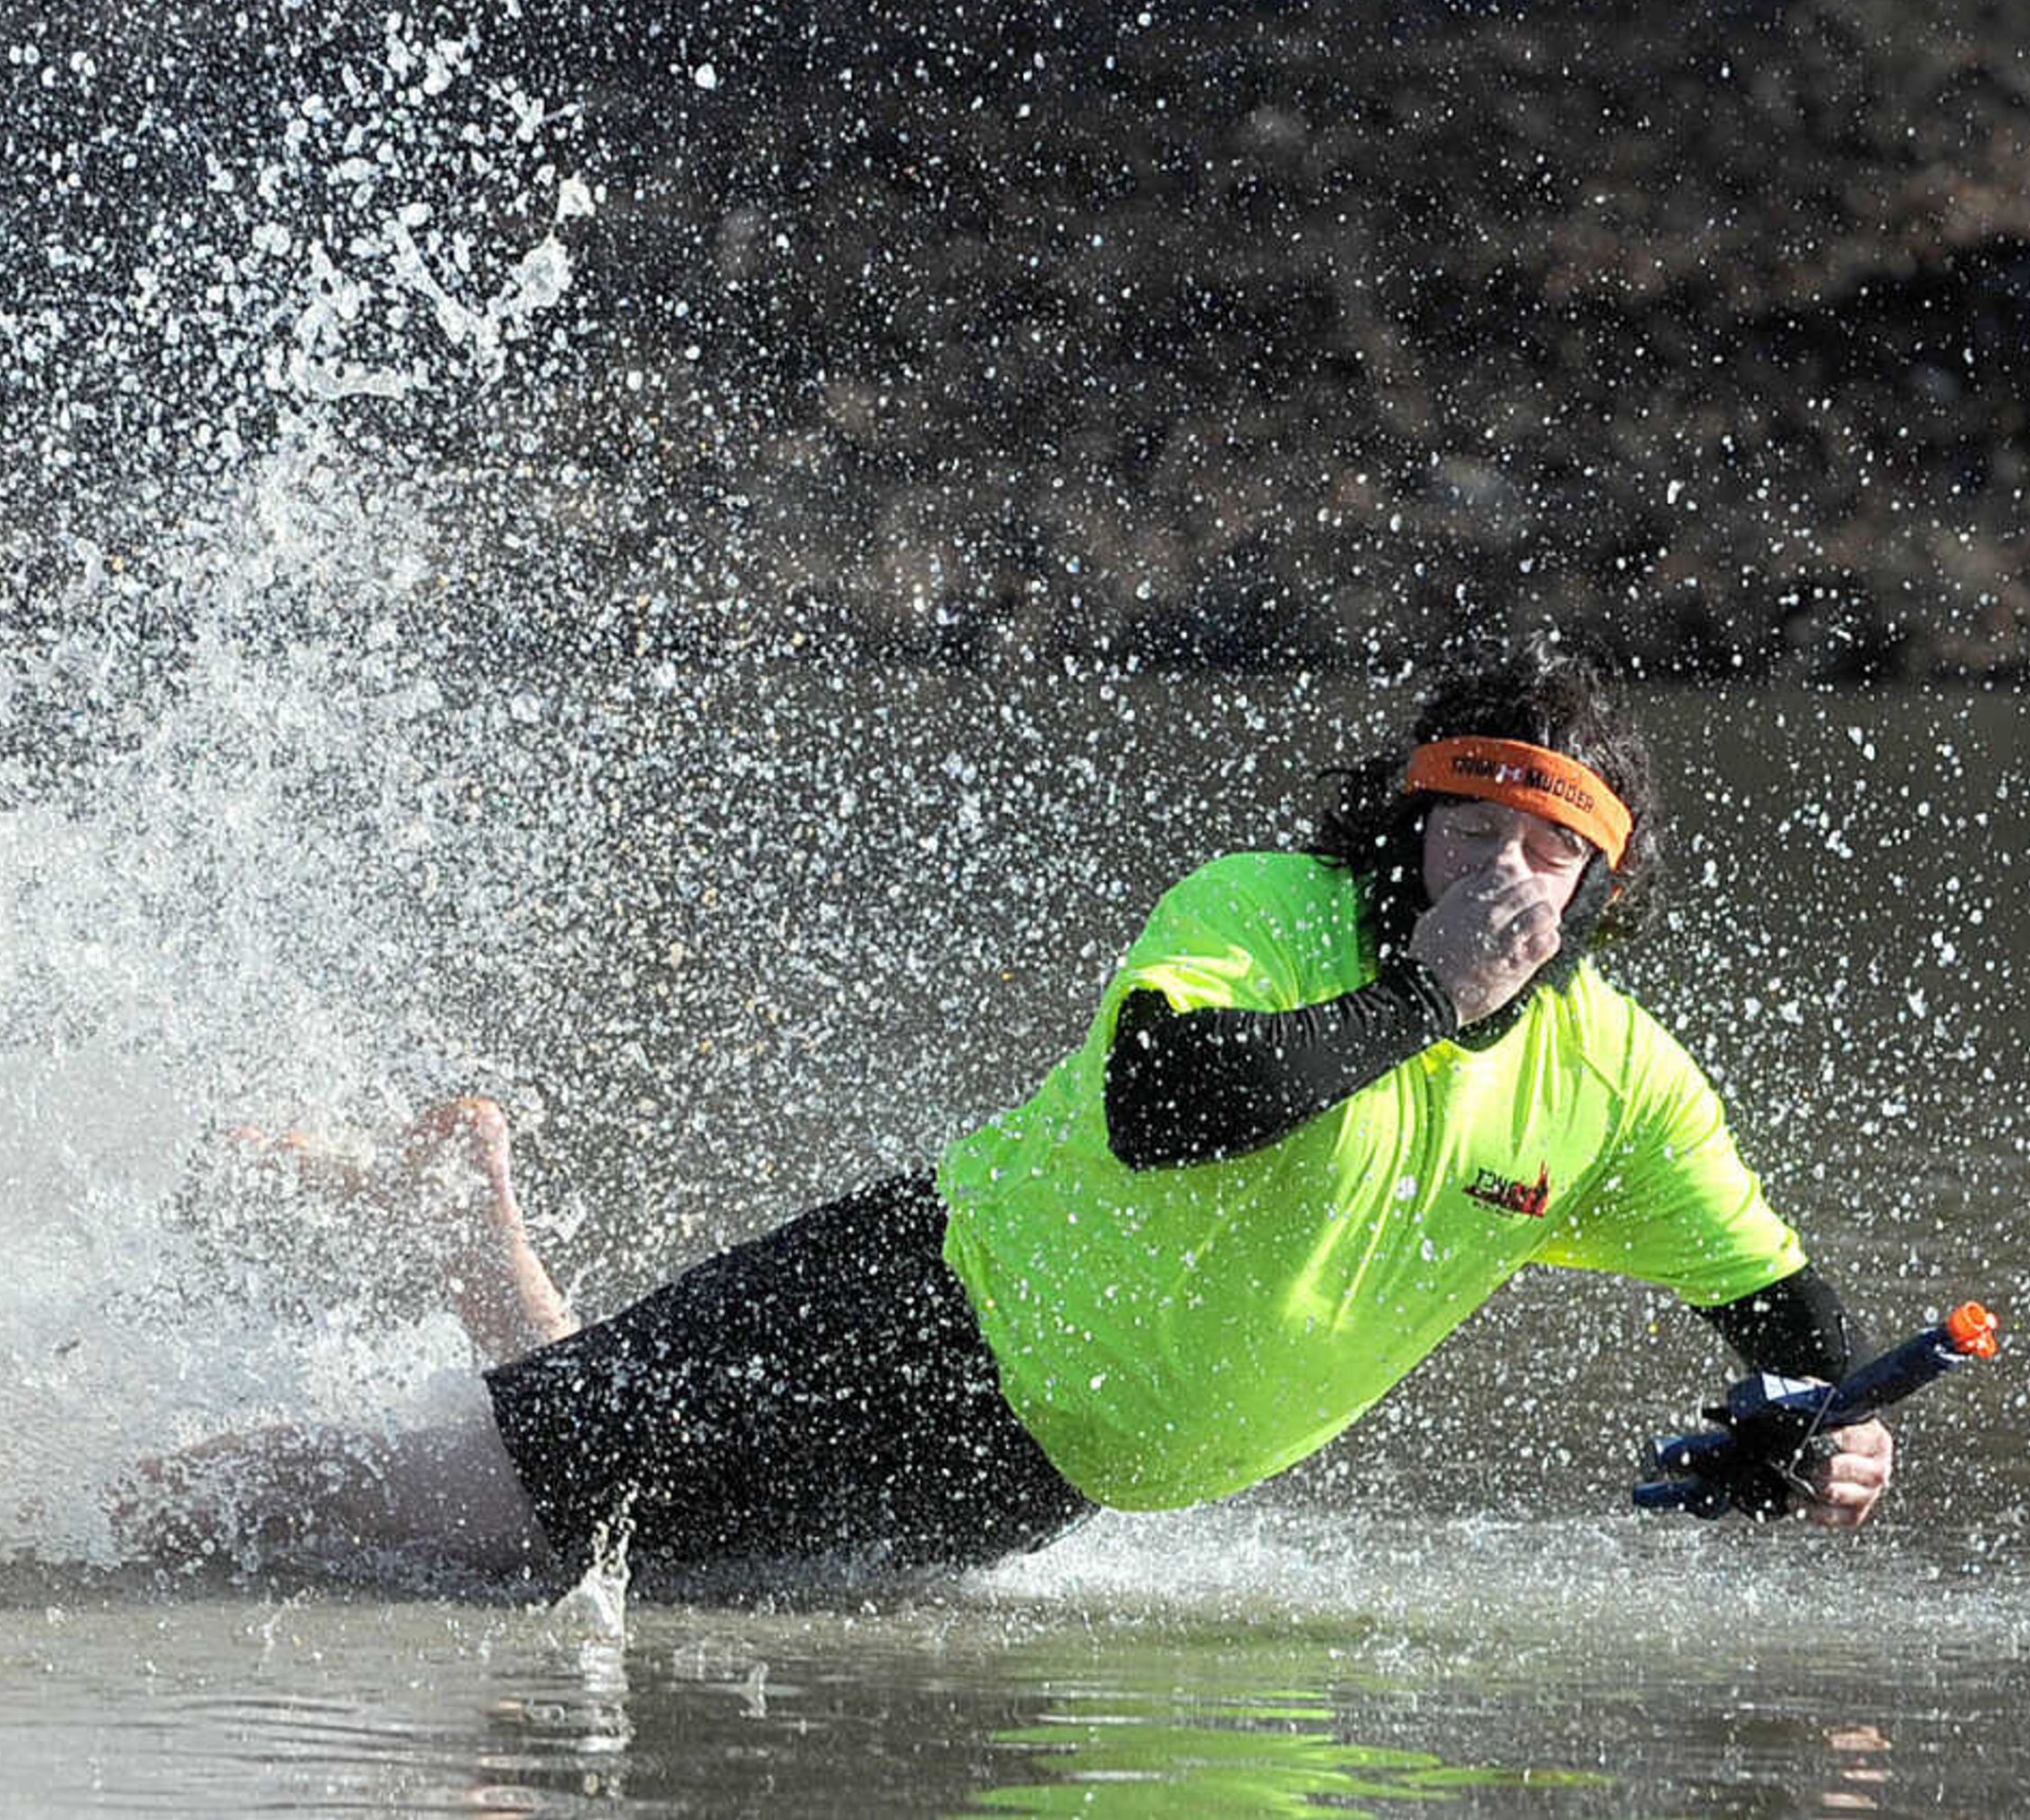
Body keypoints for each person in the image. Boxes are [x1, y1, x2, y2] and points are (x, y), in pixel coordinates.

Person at [136, 643, 1896, 1582]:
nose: (1500, 873)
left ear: (1601, 881)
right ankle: (78, 1514)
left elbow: (1780, 1309)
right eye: (1470, 826)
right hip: (912, 1305)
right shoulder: (1271, 911)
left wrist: (1835, 1421)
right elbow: (1162, 1108)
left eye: (1547, 848)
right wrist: (1428, 997)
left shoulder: (1620, 1085)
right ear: (1406, 820)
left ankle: (468, 1220)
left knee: (585, 1555)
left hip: (1029, 1473)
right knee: (458, 1514)